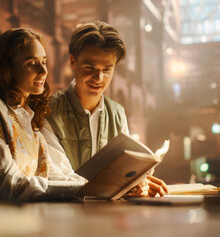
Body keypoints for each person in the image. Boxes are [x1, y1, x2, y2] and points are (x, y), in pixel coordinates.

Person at [0, 28, 84, 201]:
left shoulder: (27, 117)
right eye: (32, 63)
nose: (43, 71)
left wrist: (88, 185)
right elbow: (10, 186)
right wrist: (75, 187)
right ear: (8, 67)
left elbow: (52, 174)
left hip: (11, 216)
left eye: (44, 61)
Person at [42, 21, 168, 197]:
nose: (99, 77)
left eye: (107, 69)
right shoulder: (48, 111)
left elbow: (125, 168)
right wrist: (117, 186)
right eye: (90, 68)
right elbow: (57, 175)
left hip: (108, 215)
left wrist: (137, 183)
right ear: (72, 61)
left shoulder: (117, 113)